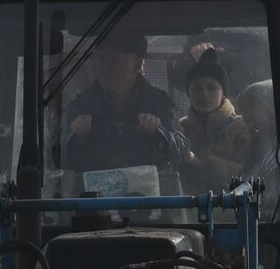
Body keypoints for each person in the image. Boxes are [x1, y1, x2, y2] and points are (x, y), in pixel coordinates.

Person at [62, 29, 188, 172]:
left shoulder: (160, 103)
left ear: (137, 63)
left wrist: (159, 133)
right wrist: (78, 138)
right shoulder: (81, 105)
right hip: (92, 192)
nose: (105, 67)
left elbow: (182, 152)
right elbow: (58, 159)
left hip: (152, 191)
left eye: (115, 61)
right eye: (101, 60)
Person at [180, 49, 253, 191]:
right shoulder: (180, 129)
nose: (204, 94)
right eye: (197, 88)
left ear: (224, 94)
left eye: (212, 88)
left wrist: (202, 165)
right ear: (189, 94)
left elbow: (250, 175)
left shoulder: (243, 129)